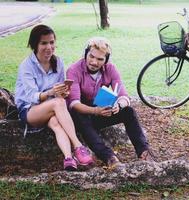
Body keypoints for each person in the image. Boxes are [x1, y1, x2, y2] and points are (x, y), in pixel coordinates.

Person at [15, 24, 94, 171]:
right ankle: (78, 146)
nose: (49, 47)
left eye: (51, 42)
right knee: (58, 103)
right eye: (44, 43)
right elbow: (32, 97)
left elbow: (58, 93)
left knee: (56, 123)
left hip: (51, 108)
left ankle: (68, 159)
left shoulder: (58, 62)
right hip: (29, 110)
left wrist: (62, 92)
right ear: (34, 45)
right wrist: (52, 93)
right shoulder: (26, 66)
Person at [67, 37, 154, 168]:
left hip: (100, 111)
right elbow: (74, 104)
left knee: (129, 112)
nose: (94, 62)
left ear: (106, 60)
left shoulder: (110, 69)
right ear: (86, 54)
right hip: (81, 116)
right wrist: (96, 111)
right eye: (91, 56)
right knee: (78, 114)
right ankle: (109, 157)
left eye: (100, 59)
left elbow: (123, 95)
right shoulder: (74, 70)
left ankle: (144, 152)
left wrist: (118, 105)